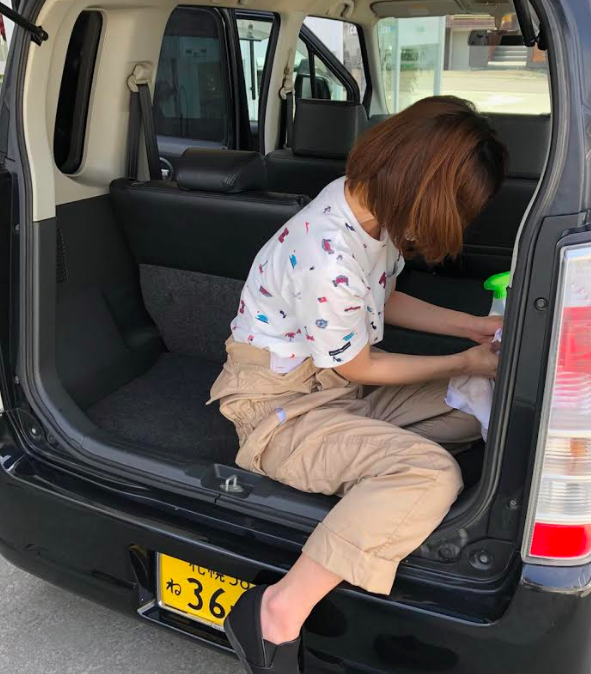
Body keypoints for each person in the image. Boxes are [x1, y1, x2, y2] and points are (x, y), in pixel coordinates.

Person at [210, 96, 508, 674]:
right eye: (457, 208)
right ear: (422, 189)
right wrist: (464, 360)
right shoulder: (325, 255)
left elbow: (382, 298)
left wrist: (473, 327)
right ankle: (273, 612)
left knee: (474, 405)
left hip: (334, 389)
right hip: (278, 407)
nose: (459, 223)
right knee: (430, 474)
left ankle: (369, 470)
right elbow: (360, 366)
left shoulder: (368, 207)